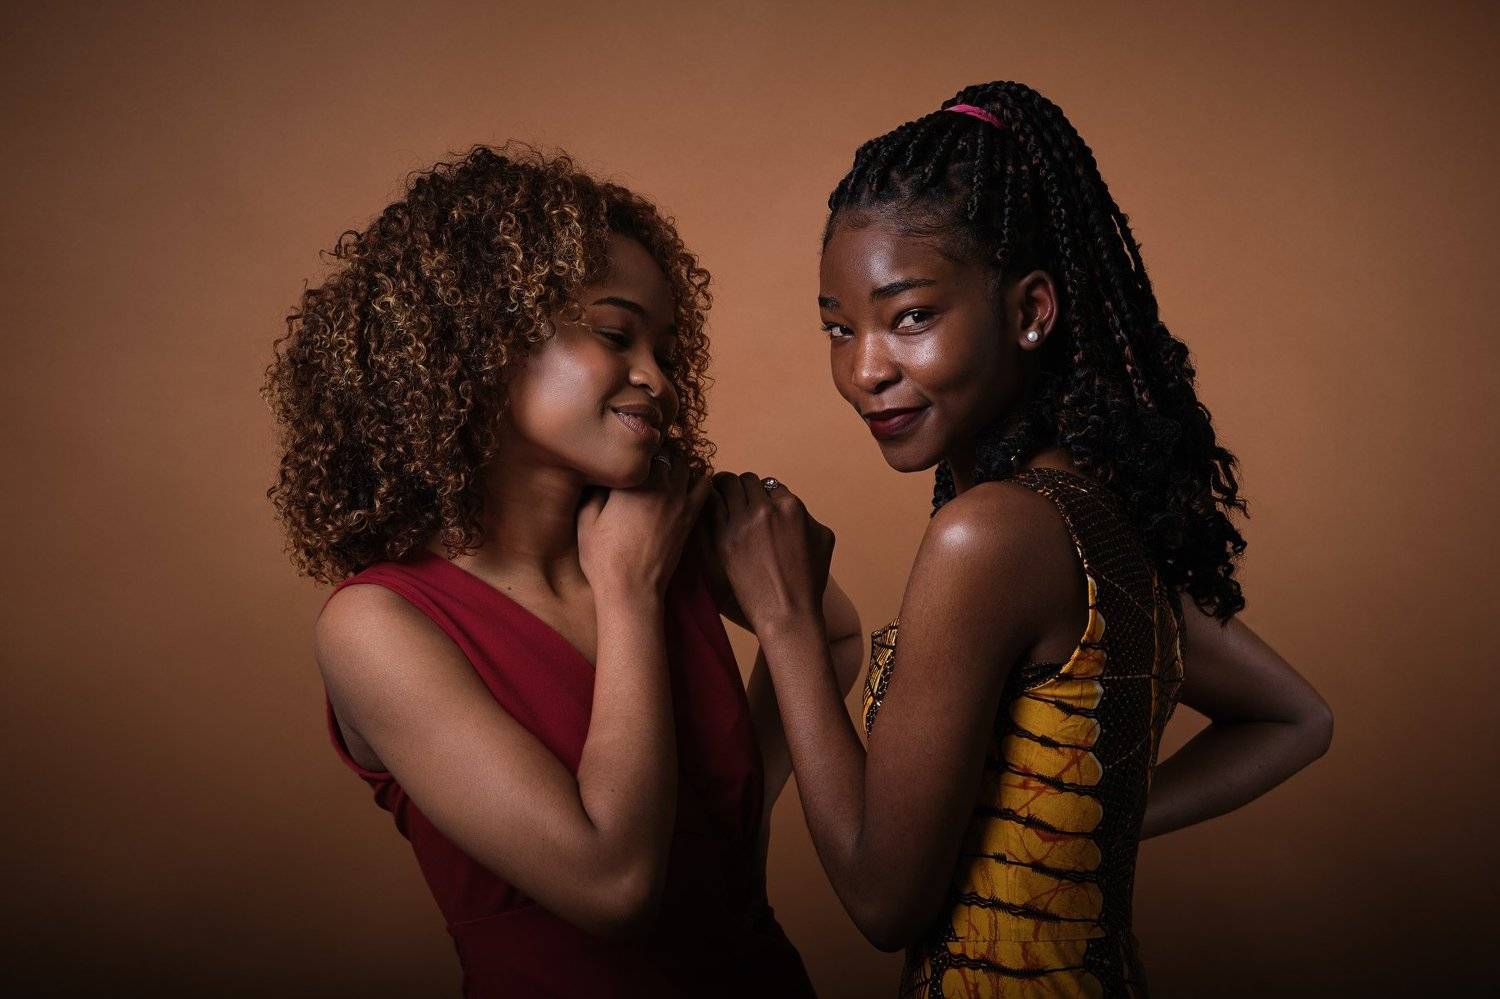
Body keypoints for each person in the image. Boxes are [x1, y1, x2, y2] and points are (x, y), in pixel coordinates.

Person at [706, 82, 1334, 996]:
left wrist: (787, 618)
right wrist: (1078, 826)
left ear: (1031, 309)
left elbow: (882, 902)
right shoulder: (1099, 523)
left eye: (911, 315)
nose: (865, 367)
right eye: (839, 328)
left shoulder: (989, 536)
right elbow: (1298, 717)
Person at [263, 145, 861, 997]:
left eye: (666, 349)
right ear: (482, 340)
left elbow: (832, 631)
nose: (656, 378)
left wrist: (744, 820)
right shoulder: (378, 626)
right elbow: (612, 885)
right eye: (616, 335)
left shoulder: (669, 531)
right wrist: (628, 590)